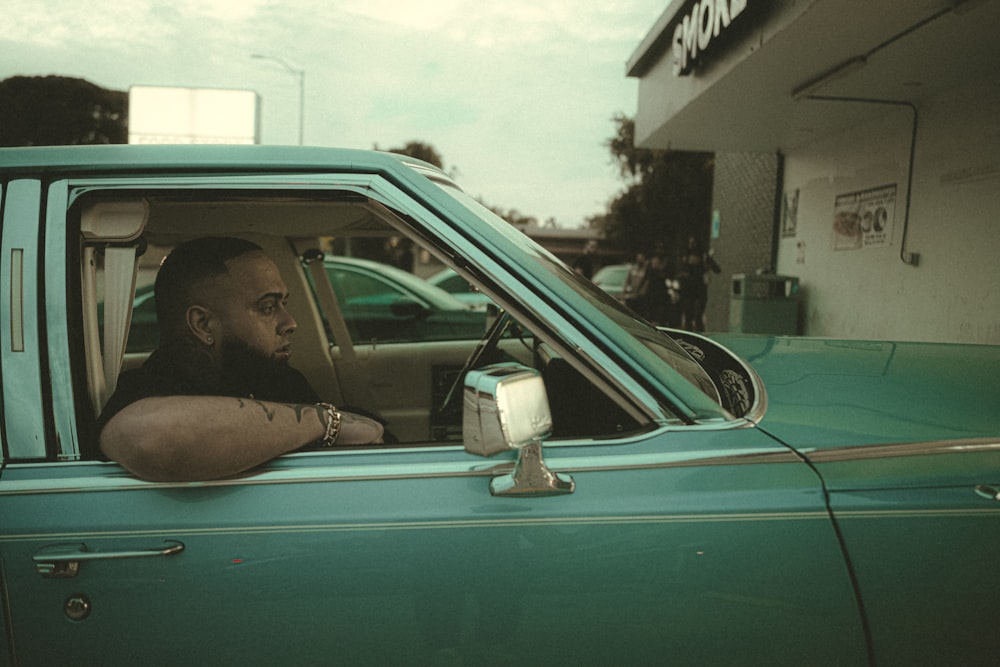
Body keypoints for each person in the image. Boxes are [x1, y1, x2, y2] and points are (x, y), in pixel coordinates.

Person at [98, 237, 384, 482]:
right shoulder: (148, 390)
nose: (290, 322)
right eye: (268, 307)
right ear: (204, 324)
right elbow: (154, 440)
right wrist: (327, 423)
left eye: (284, 304)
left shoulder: (279, 379)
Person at [678, 235, 721, 332]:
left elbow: (717, 269)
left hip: (698, 288)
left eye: (693, 243)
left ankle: (698, 333)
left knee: (698, 315)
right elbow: (680, 271)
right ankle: (689, 333)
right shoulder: (685, 256)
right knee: (689, 314)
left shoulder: (703, 256)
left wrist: (708, 264)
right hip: (689, 288)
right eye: (690, 243)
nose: (691, 245)